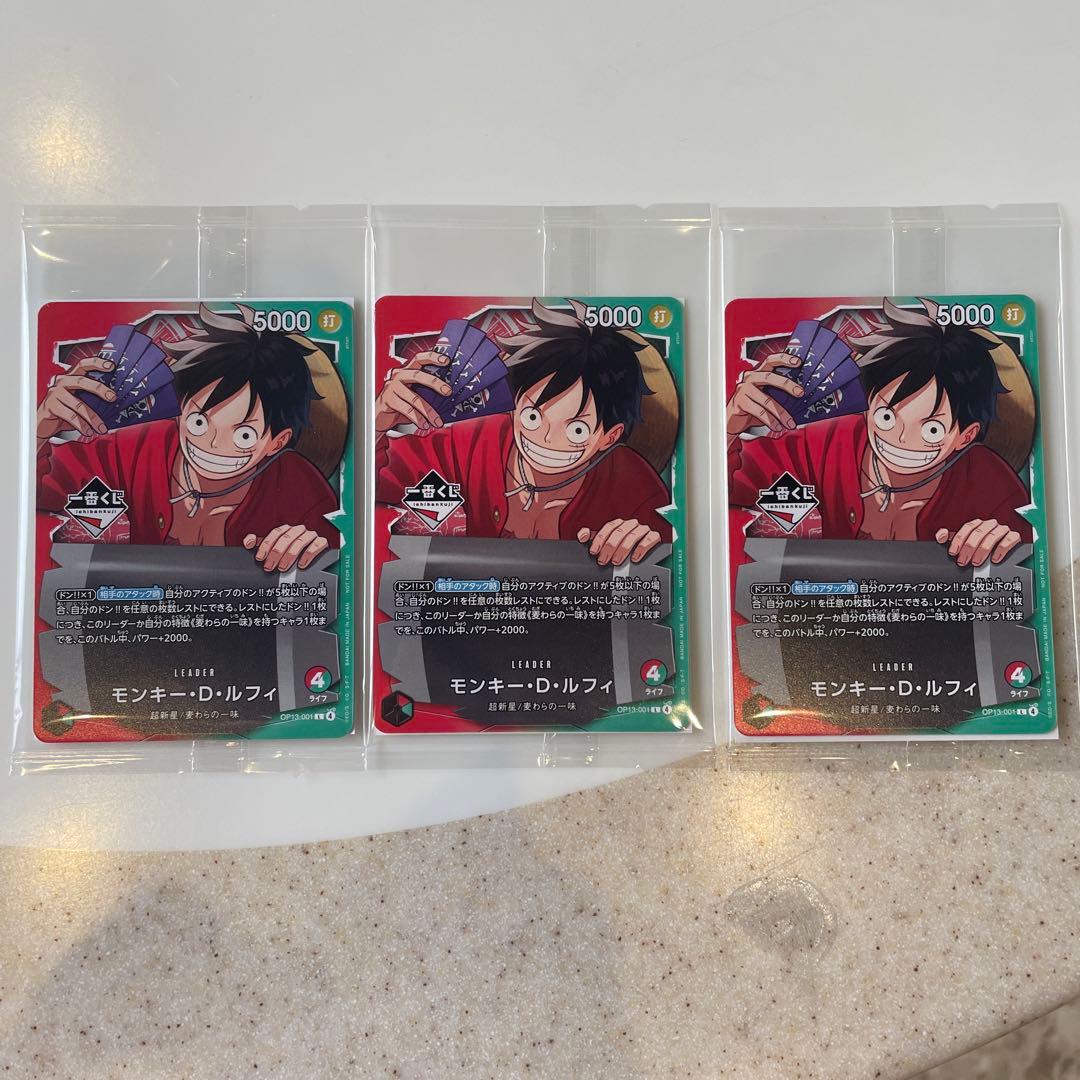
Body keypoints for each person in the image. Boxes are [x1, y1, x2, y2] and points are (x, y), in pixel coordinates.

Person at [727, 298, 1032, 567]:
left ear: (965, 436)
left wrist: (1004, 543)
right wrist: (728, 428)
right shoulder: (828, 443)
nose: (900, 438)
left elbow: (1028, 553)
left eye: (932, 429)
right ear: (868, 404)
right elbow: (731, 486)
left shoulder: (989, 484)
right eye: (886, 416)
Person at [37, 304, 338, 572]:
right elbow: (41, 489)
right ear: (180, 410)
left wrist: (312, 549)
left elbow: (336, 569)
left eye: (244, 435)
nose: (213, 443)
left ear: (277, 442)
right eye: (199, 422)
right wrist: (39, 430)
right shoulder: (137, 448)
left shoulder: (301, 491)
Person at [375, 298, 672, 567]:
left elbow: (667, 559)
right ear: (514, 405)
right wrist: (378, 423)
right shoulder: (473, 443)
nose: (545, 438)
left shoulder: (634, 487)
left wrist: (647, 543)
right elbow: (378, 482)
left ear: (609, 436)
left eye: (577, 429)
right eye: (532, 416)